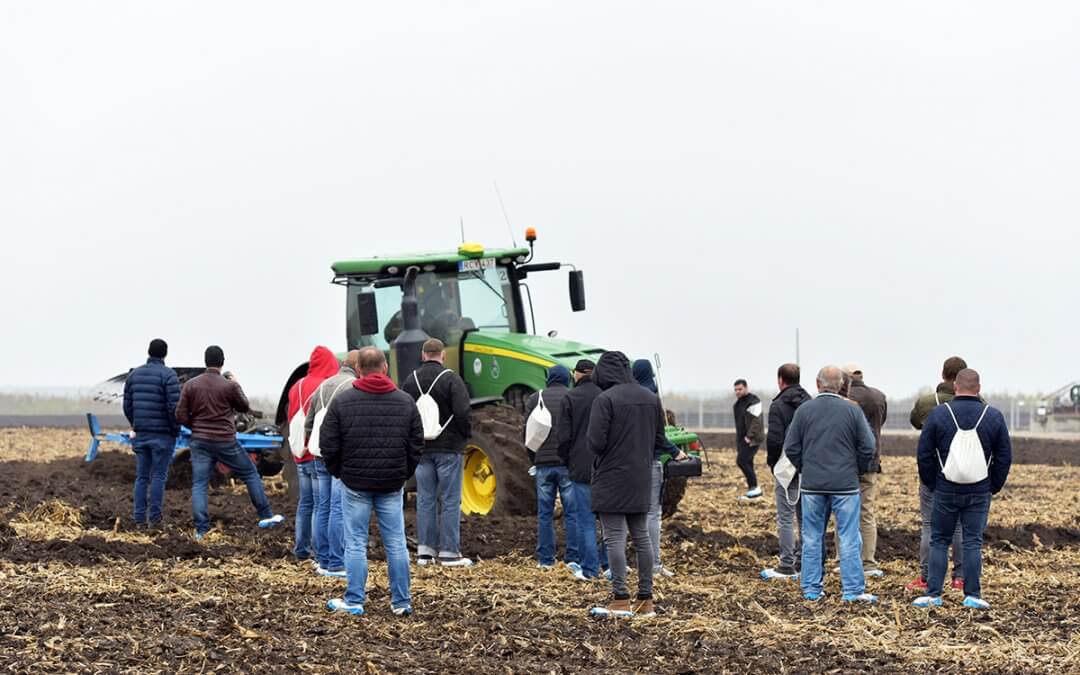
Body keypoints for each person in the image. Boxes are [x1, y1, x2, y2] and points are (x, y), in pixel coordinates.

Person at [320, 347, 423, 617]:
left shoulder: (343, 403)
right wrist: (403, 473)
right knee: (396, 542)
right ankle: (401, 602)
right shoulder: (405, 402)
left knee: (355, 542)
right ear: (385, 368)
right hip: (391, 483)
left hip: (354, 483)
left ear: (358, 370)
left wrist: (339, 471)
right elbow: (416, 444)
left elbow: (328, 443)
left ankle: (354, 600)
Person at [914, 368, 1012, 610]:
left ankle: (933, 593)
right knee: (972, 541)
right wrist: (993, 485)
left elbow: (924, 454)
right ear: (978, 388)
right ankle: (973, 594)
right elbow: (1004, 456)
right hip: (979, 489)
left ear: (955, 387)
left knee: (939, 539)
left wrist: (933, 483)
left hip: (945, 488)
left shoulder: (938, 414)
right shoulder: (994, 416)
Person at [783, 366, 877, 603]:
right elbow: (868, 446)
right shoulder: (852, 411)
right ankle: (853, 591)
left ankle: (812, 589)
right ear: (842, 385)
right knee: (848, 537)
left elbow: (791, 448)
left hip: (812, 486)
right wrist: (853, 467)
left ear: (817, 383)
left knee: (812, 536)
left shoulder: (804, 411)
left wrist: (807, 467)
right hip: (845, 485)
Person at [587, 351, 667, 618]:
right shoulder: (651, 398)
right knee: (642, 537)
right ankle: (646, 600)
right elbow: (659, 440)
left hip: (611, 477)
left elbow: (595, 443)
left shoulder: (605, 400)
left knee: (615, 539)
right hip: (641, 477)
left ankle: (620, 599)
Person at [176, 345, 284, 539]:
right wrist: (236, 383)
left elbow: (180, 414)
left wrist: (196, 427)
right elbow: (244, 406)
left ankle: (201, 529)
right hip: (225, 440)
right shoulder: (229, 385)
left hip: (200, 441)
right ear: (222, 362)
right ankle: (266, 515)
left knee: (200, 483)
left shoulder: (191, 385)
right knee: (250, 473)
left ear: (205, 361)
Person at [401, 338, 473, 567]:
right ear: (442, 356)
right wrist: (464, 435)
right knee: (450, 500)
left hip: (422, 449)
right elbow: (462, 412)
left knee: (425, 499)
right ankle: (450, 552)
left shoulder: (409, 381)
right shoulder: (451, 379)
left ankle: (425, 552)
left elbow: (405, 413)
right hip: (449, 447)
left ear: (423, 355)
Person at [907, 356, 968, 593]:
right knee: (960, 527)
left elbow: (914, 422)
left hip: (932, 472)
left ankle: (927, 577)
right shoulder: (976, 402)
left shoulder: (927, 403)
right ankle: (960, 578)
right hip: (962, 473)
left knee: (929, 526)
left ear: (943, 375)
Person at [304, 350, 360, 578]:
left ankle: (322, 559)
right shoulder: (353, 387)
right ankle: (337, 562)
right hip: (340, 456)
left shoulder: (324, 386)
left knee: (322, 506)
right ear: (357, 366)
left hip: (319, 454)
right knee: (338, 508)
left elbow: (309, 422)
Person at [631, 359, 687, 579]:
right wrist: (676, 453)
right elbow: (659, 436)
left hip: (627, 465)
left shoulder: (622, 398)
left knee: (626, 512)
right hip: (650, 462)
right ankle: (653, 565)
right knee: (652, 514)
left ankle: (618, 563)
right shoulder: (652, 398)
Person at [286, 346, 340, 563]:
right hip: (317, 453)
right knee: (322, 505)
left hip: (300, 454)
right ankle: (320, 551)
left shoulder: (296, 386)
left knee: (305, 503)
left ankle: (301, 548)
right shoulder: (326, 386)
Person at [524, 365, 579, 573]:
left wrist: (534, 459)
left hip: (543, 466)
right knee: (571, 513)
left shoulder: (534, 398)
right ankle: (572, 558)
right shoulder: (572, 398)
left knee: (544, 514)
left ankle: (546, 560)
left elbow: (527, 434)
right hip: (567, 465)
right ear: (566, 379)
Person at [122, 338, 181, 528]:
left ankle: (139, 519)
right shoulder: (169, 376)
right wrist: (175, 429)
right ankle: (154, 520)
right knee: (158, 477)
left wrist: (135, 424)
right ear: (165, 354)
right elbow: (174, 408)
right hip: (163, 435)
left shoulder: (134, 375)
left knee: (141, 477)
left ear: (149, 352)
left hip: (141, 434)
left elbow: (127, 406)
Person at [760, 363, 811, 581]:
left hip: (785, 468)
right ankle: (804, 562)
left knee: (786, 517)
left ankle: (786, 565)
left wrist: (773, 464)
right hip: (807, 467)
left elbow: (774, 439)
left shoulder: (778, 405)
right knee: (805, 517)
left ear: (781, 379)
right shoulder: (810, 402)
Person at [557, 359, 605, 581]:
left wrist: (566, 459)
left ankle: (589, 570)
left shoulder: (570, 398)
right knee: (607, 521)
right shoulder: (605, 396)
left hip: (579, 466)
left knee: (585, 520)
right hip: (604, 466)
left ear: (576, 374)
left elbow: (564, 437)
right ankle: (609, 565)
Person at [841, 364, 888, 578]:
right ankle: (868, 562)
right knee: (867, 512)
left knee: (843, 511)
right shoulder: (879, 397)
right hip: (871, 461)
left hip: (846, 462)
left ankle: (842, 558)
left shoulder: (843, 398)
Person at [733, 379, 765, 499]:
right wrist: (740, 440)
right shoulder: (737, 405)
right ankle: (753, 491)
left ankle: (755, 488)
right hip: (742, 439)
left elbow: (756, 421)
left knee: (741, 461)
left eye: (740, 389)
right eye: (736, 390)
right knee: (748, 462)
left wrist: (749, 437)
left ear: (746, 388)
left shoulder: (754, 401)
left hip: (752, 438)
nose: (738, 392)